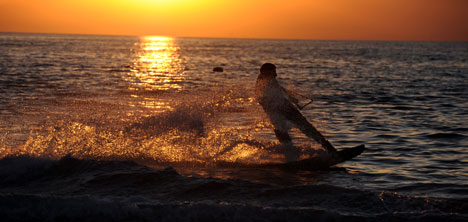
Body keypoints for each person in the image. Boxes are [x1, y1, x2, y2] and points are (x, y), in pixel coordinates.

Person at [255, 63, 337, 155]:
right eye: (273, 71)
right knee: (289, 131)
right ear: (267, 72)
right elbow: (262, 99)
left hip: (283, 109)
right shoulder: (262, 83)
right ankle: (289, 154)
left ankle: (327, 148)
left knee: (302, 128)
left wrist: (292, 99)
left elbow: (279, 91)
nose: (276, 74)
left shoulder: (269, 80)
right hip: (282, 110)